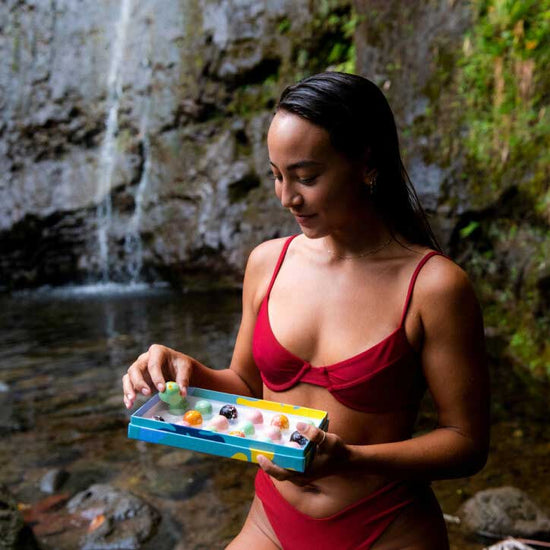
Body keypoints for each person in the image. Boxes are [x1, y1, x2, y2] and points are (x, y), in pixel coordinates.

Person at [122, 72, 490, 549]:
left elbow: (466, 442)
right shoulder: (266, 264)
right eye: (276, 175)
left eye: (307, 177)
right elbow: (248, 388)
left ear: (366, 162)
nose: (286, 197)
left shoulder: (434, 287)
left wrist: (352, 459)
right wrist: (187, 371)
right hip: (270, 522)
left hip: (386, 528)